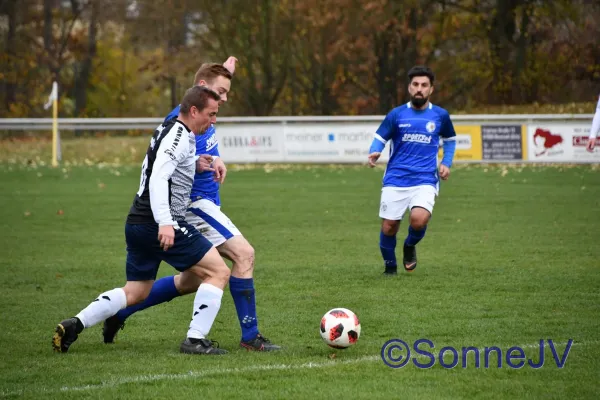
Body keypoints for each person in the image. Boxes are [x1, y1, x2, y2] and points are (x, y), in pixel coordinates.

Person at [102, 59, 281, 352]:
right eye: (220, 93)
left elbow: (202, 147)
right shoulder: (183, 119)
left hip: (205, 201)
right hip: (195, 203)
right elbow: (170, 162)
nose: (223, 100)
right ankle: (250, 337)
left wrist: (216, 158)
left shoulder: (203, 107)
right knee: (244, 254)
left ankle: (121, 311)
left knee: (192, 281)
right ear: (201, 93)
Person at [52, 86, 232, 355]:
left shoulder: (170, 128)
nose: (214, 120)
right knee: (218, 271)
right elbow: (158, 177)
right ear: (194, 111)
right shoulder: (179, 136)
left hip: (136, 222)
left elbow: (159, 165)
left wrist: (194, 164)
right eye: (211, 114)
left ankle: (75, 324)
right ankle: (195, 340)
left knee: (136, 291)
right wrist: (166, 222)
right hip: (158, 221)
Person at [367, 66, 457, 275]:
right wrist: (374, 151)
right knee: (389, 226)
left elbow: (450, 141)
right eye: (415, 84)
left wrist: (446, 162)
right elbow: (380, 137)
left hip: (425, 178)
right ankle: (390, 269)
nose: (419, 89)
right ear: (409, 87)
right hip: (396, 178)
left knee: (419, 219)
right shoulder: (397, 114)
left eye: (424, 85)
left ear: (431, 89)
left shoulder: (440, 115)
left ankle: (409, 245)